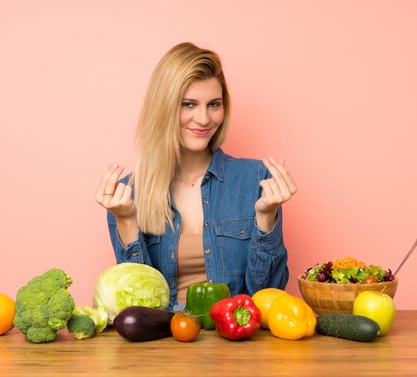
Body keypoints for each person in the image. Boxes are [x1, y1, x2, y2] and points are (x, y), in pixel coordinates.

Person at [95, 42, 296, 309]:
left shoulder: (256, 180)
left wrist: (266, 218)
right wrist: (126, 221)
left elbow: (266, 295)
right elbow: (140, 306)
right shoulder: (127, 195)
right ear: (164, 108)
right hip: (164, 340)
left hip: (233, 340)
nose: (203, 119)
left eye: (214, 104)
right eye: (188, 104)